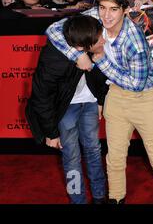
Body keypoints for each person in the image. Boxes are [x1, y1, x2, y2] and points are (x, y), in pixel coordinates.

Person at [45, 0, 153, 204]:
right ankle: (116, 199)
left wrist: (99, 59)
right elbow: (53, 29)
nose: (106, 16)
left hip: (145, 96)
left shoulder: (134, 39)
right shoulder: (95, 17)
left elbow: (136, 84)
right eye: (103, 8)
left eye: (113, 10)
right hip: (116, 93)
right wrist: (77, 55)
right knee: (114, 158)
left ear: (125, 10)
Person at [25, 15, 108, 204]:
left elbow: (100, 77)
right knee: (71, 158)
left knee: (94, 150)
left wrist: (101, 100)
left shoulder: (88, 40)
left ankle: (99, 196)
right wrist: (51, 133)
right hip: (64, 109)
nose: (103, 40)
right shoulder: (53, 60)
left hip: (90, 102)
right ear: (82, 46)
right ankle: (77, 200)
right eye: (99, 38)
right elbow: (41, 97)